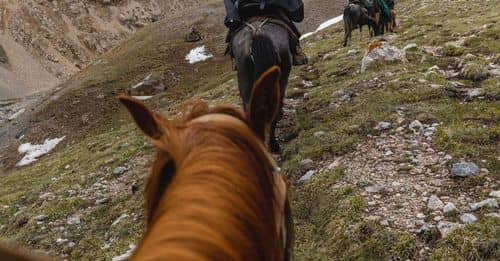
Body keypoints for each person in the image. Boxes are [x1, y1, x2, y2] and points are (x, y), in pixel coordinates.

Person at [224, 0, 308, 65]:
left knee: (234, 31)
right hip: (271, 6)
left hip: (245, 7)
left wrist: (232, 16)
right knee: (290, 21)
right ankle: (295, 50)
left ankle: (235, 57)